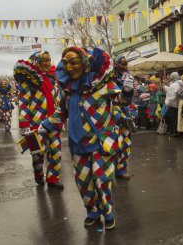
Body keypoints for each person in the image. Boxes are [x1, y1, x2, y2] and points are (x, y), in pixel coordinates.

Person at [39, 46, 134, 229]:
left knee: (101, 179)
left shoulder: (104, 83)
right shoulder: (66, 89)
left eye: (74, 63)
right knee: (83, 182)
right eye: (65, 63)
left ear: (84, 64)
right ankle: (92, 211)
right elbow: (60, 113)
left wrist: (128, 91)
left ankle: (108, 211)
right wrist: (44, 126)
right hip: (77, 143)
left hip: (101, 141)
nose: (69, 68)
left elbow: (121, 101)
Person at [14, 51, 63, 189]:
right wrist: (24, 123)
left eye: (49, 60)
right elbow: (23, 101)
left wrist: (62, 114)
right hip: (36, 123)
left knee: (56, 151)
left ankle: (53, 178)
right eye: (45, 60)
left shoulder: (53, 78)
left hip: (53, 121)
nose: (48, 63)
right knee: (37, 154)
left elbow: (57, 98)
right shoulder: (28, 80)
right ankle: (38, 174)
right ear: (37, 61)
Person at [112, 55, 134, 179]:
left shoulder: (128, 77)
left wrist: (129, 91)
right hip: (112, 113)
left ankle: (121, 169)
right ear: (116, 64)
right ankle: (109, 168)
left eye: (125, 63)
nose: (124, 66)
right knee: (113, 142)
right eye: (121, 63)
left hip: (125, 113)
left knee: (125, 142)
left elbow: (129, 100)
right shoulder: (110, 78)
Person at [163, 72, 183, 137]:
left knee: (174, 119)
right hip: (176, 104)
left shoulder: (175, 84)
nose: (170, 78)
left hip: (173, 104)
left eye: (171, 76)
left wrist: (168, 102)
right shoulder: (177, 83)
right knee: (176, 119)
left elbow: (173, 94)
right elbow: (171, 91)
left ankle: (176, 132)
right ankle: (177, 132)